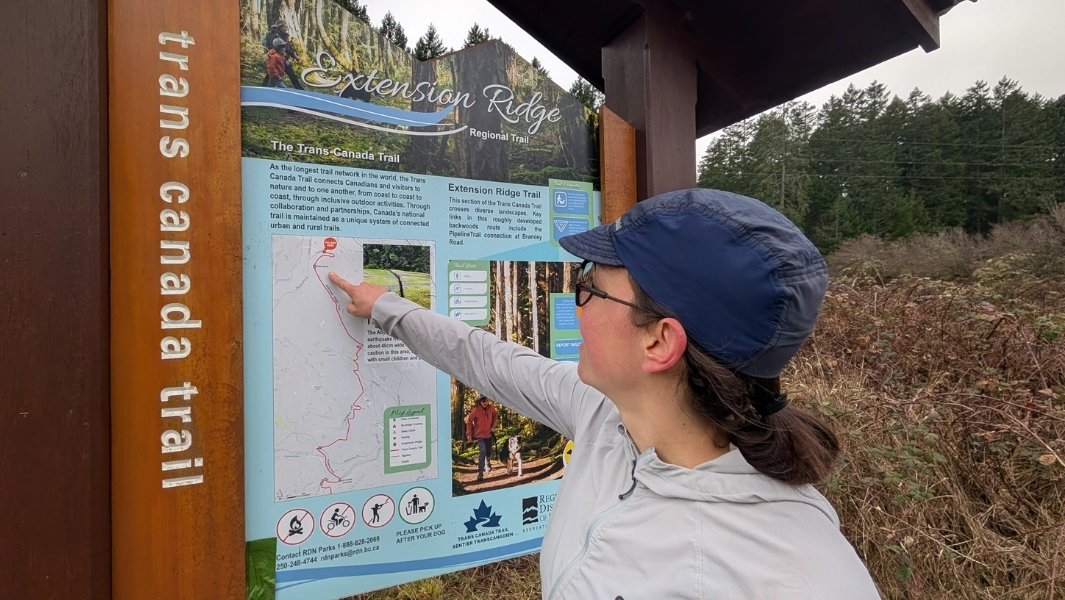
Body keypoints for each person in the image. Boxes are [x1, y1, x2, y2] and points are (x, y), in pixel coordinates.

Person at [329, 188, 881, 599]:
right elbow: (489, 360)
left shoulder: (797, 575)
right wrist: (385, 306)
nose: (577, 303)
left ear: (660, 342)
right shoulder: (606, 417)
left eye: (589, 286)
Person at [263, 19, 304, 89]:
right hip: (277, 59)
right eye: (285, 27)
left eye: (287, 27)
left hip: (283, 58)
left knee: (290, 74)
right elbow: (273, 47)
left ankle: (300, 89)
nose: (286, 29)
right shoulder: (275, 35)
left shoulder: (284, 36)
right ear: (280, 27)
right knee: (271, 72)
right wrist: (279, 54)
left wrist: (294, 55)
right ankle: (263, 89)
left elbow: (287, 47)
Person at [464, 396, 498, 481]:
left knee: (488, 452)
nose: (485, 403)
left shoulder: (491, 408)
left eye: (486, 401)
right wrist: (469, 434)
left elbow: (495, 417)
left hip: (489, 434)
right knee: (482, 451)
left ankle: (488, 460)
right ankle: (480, 473)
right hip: (479, 435)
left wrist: (493, 427)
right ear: (480, 401)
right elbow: (469, 421)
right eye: (483, 401)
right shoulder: (476, 410)